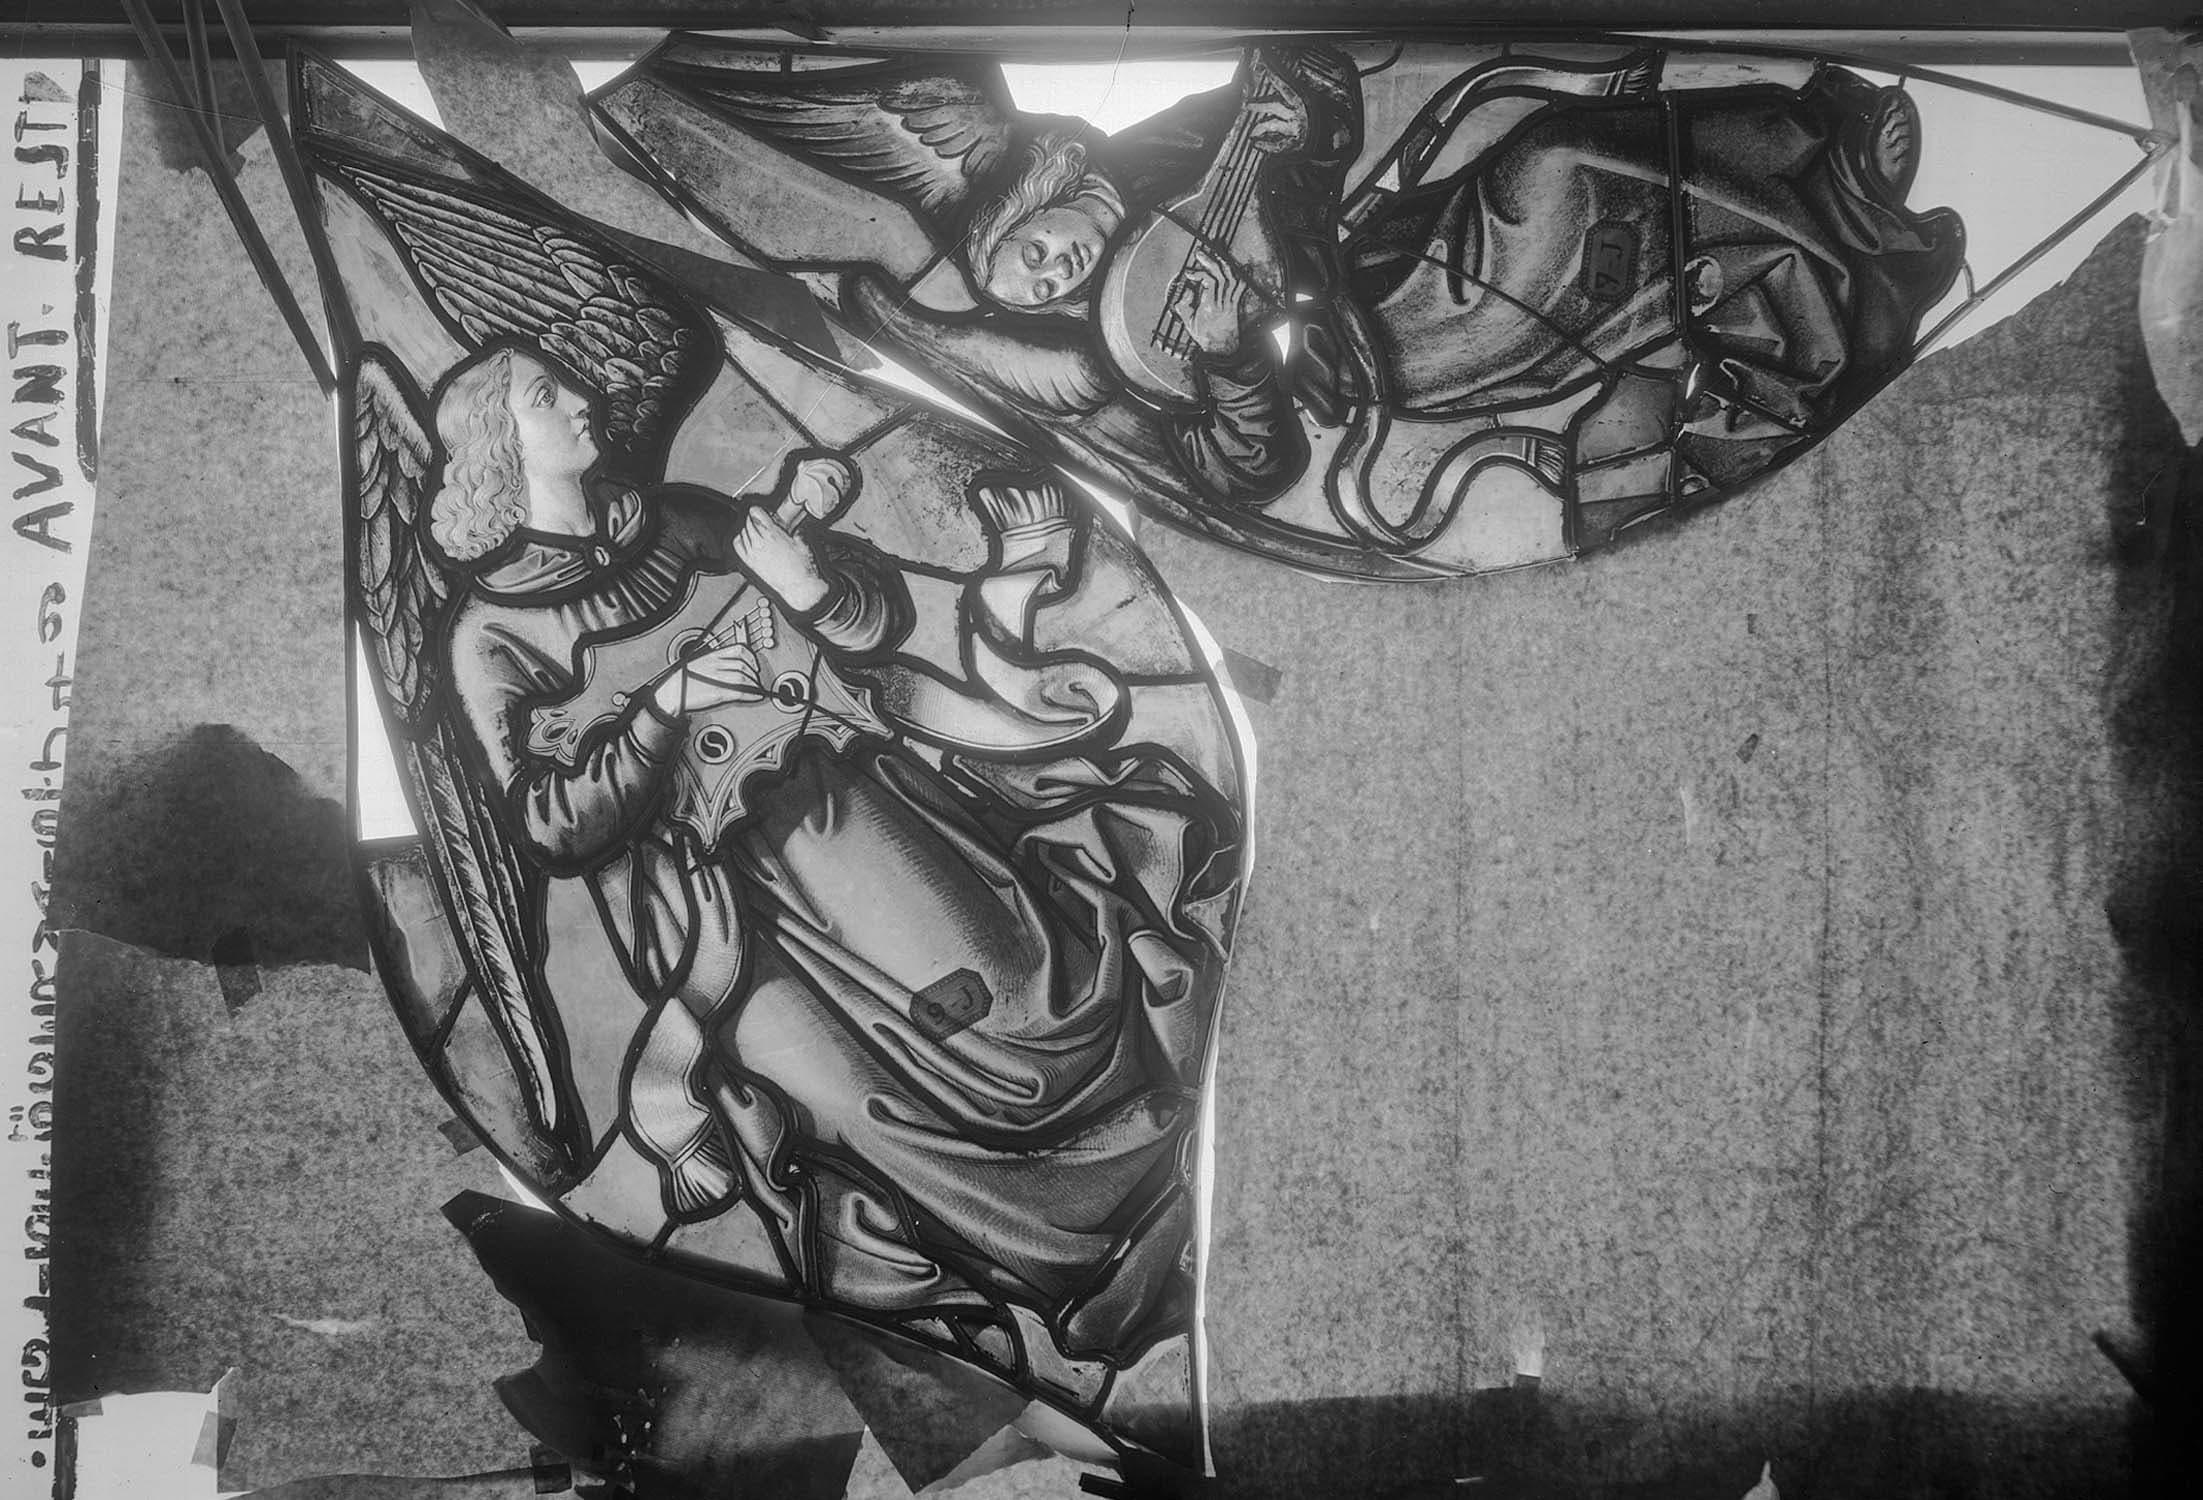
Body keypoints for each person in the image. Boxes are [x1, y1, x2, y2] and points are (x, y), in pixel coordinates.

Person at [427, 344, 1233, 1355]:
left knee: (1031, 1009)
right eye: (548, 396)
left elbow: (865, 628)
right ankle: (1066, 1284)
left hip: (852, 805)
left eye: (569, 379)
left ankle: (1168, 1211)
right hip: (727, 903)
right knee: (860, 1110)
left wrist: (808, 586)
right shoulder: (488, 633)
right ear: (499, 448)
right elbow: (549, 823)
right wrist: (667, 706)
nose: (583, 399)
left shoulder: (681, 521)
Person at [847, 47, 1965, 552]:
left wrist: (1303, 113)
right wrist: (1233, 361)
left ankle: (1814, 155)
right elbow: (1248, 469)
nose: (1046, 275)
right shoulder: (1129, 345)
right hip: (1399, 344)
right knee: (1560, 171)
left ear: (1059, 199)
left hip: (1393, 249)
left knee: (1550, 147)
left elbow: (1301, 89)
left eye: (1033, 250)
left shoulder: (1164, 162)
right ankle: (1838, 216)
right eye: (1029, 288)